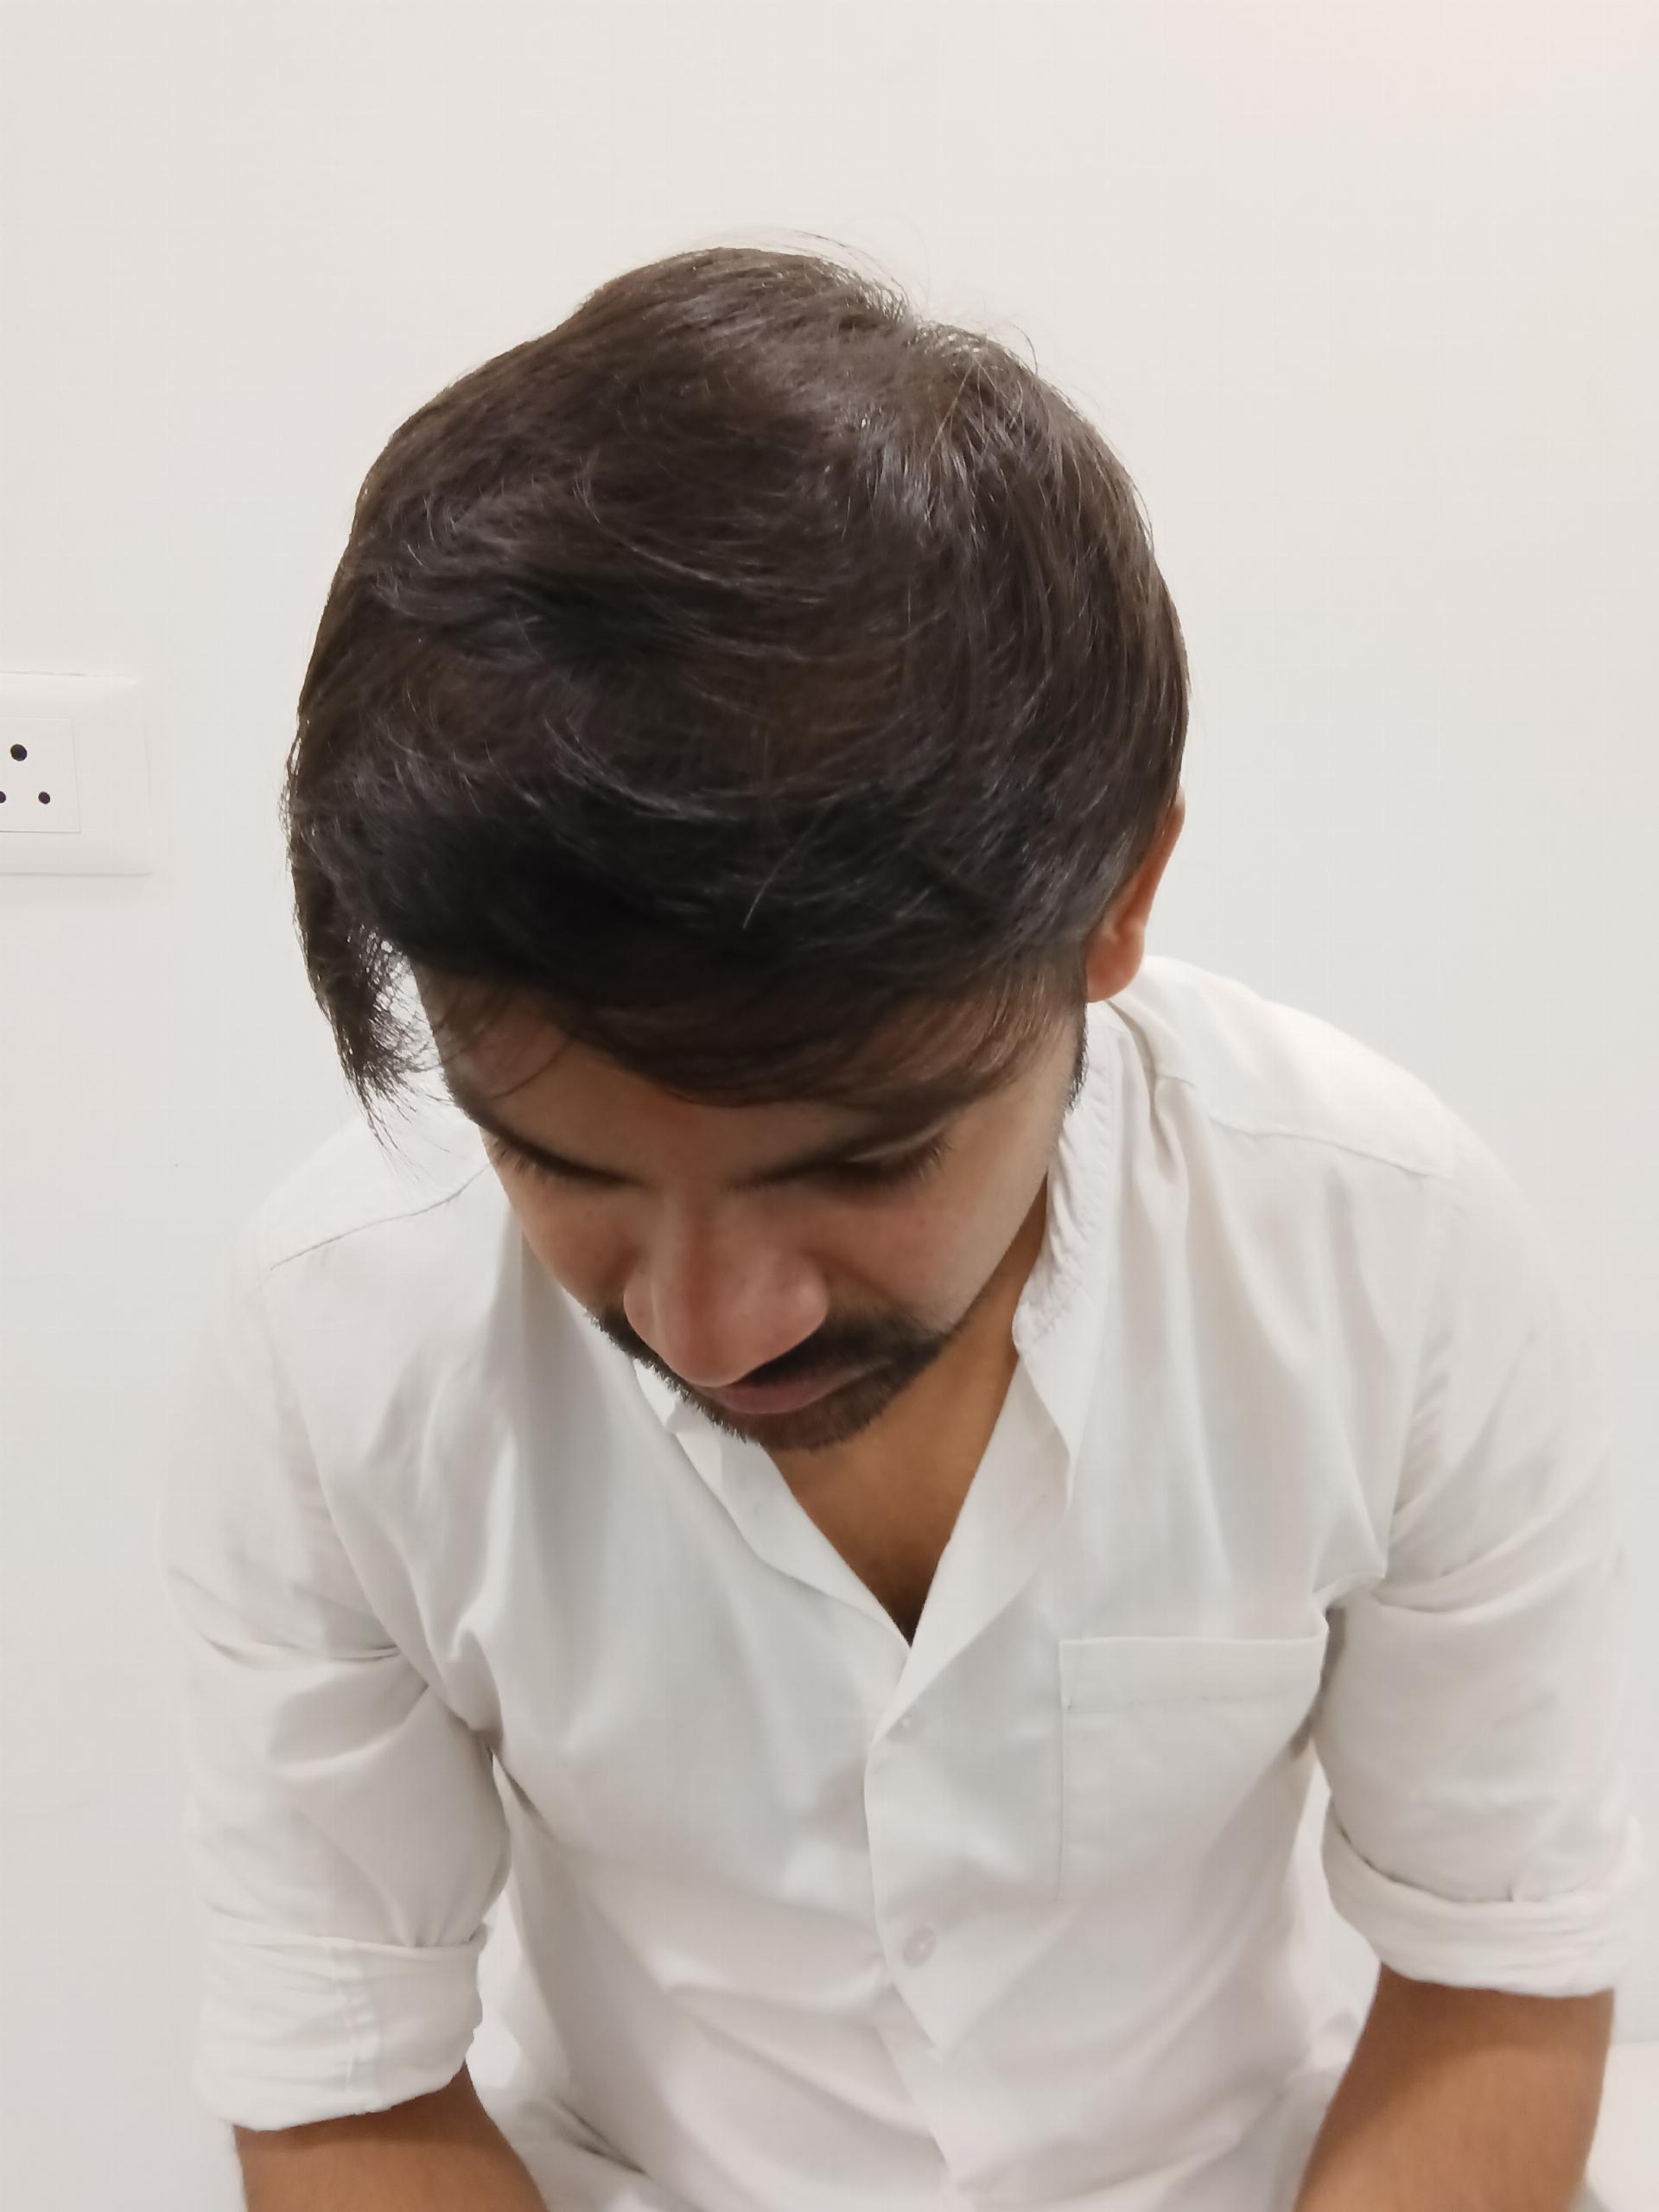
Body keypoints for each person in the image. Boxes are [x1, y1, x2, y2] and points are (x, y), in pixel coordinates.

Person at [154, 245, 1643, 2212]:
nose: (710, 1323)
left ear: (1118, 901)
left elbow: (1495, 1963)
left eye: (859, 1167)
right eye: (562, 1168)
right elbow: (345, 2074)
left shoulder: (1390, 1253)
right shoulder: (337, 1337)